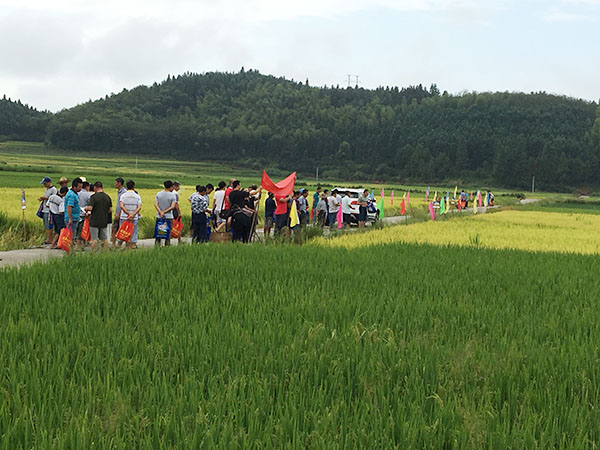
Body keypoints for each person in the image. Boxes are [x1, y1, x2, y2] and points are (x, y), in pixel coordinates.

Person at [86, 181, 112, 251]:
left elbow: (90, 208)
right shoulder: (107, 197)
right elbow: (110, 210)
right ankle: (106, 252)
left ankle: (94, 253)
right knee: (104, 238)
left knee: (94, 239)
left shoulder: (94, 197)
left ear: (95, 187)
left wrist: (86, 208)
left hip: (94, 220)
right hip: (104, 220)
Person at [119, 180, 142, 250]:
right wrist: (133, 214)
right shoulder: (137, 196)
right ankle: (132, 245)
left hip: (124, 217)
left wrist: (128, 213)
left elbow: (121, 206)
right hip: (134, 217)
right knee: (133, 231)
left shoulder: (123, 195)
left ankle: (125, 246)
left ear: (126, 186)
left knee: (124, 231)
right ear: (133, 187)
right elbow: (139, 207)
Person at [155, 180, 177, 247]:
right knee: (168, 233)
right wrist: (164, 212)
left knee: (158, 233)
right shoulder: (172, 195)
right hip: (168, 217)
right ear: (171, 187)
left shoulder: (158, 194)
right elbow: (172, 206)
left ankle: (157, 246)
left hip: (159, 216)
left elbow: (156, 204)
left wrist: (160, 212)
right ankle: (167, 247)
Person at [64, 178, 83, 250]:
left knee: (73, 235)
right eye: (79, 187)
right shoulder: (71, 195)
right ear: (74, 187)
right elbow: (69, 206)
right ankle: (70, 251)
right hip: (72, 218)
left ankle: (70, 250)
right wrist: (70, 218)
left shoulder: (74, 194)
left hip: (75, 218)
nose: (80, 189)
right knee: (71, 236)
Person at [38, 176, 57, 244]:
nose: (44, 185)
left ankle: (50, 239)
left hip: (49, 209)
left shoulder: (53, 189)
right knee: (46, 224)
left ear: (49, 182)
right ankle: (48, 238)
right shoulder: (46, 189)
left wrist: (45, 198)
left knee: (50, 225)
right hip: (44, 209)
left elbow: (54, 198)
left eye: (45, 183)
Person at [111, 177, 126, 248]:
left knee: (121, 230)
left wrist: (119, 214)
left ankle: (119, 244)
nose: (115, 184)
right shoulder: (119, 191)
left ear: (119, 183)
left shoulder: (124, 192)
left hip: (121, 215)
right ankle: (113, 244)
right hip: (117, 214)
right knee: (114, 229)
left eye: (116, 183)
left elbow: (123, 205)